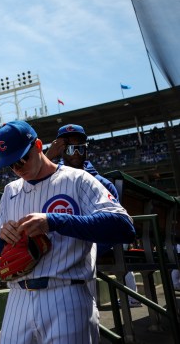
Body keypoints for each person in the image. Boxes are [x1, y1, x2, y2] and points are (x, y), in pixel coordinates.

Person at [0, 120, 135, 344]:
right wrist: (4, 236)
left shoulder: (78, 179)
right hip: (18, 298)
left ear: (38, 145)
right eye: (11, 164)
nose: (18, 168)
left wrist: (55, 221)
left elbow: (123, 227)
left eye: (22, 159)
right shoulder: (11, 190)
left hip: (66, 294)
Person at [46, 124, 141, 307]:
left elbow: (114, 228)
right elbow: (22, 189)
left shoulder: (102, 183)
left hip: (88, 248)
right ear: (60, 150)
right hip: (60, 250)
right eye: (70, 148)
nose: (75, 153)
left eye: (80, 148)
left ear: (86, 150)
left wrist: (80, 249)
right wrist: (48, 156)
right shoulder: (50, 180)